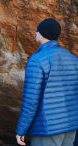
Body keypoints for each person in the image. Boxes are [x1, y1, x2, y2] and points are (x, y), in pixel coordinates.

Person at [16, 18, 78, 146]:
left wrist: (21, 130)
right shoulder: (73, 59)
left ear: (41, 33)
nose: (35, 32)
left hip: (47, 128)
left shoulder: (37, 60)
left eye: (37, 30)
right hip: (71, 125)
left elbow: (31, 100)